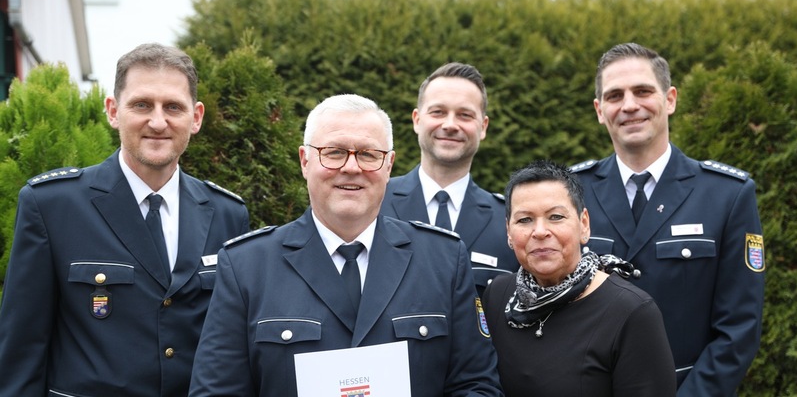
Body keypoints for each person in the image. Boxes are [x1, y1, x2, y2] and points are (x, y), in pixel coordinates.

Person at [189, 94, 503, 397]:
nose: (352, 167)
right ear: (304, 161)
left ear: (389, 165)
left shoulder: (444, 260)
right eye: (334, 152)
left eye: (368, 154)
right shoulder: (246, 266)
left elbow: (476, 385)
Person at [0, 43, 250, 396]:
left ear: (195, 118)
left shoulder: (229, 214)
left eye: (173, 107)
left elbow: (231, 349)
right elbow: (21, 349)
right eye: (142, 104)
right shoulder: (52, 206)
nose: (158, 121)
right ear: (113, 111)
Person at [571, 42, 765, 396]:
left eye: (643, 91)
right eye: (615, 96)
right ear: (600, 110)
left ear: (670, 99)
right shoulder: (570, 193)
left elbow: (739, 328)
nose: (629, 105)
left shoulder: (727, 195)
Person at [482, 159, 676, 396]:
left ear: (584, 224)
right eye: (525, 220)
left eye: (555, 217)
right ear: (509, 233)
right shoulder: (498, 297)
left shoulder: (631, 311)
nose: (540, 231)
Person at [380, 62, 518, 297]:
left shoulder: (508, 221)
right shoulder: (375, 203)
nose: (450, 125)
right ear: (417, 120)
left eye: (465, 115)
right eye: (438, 112)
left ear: (483, 127)